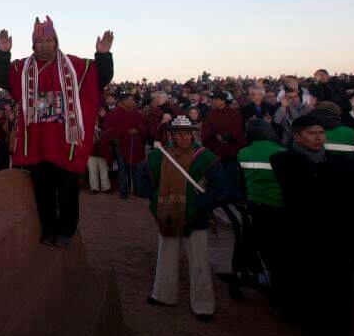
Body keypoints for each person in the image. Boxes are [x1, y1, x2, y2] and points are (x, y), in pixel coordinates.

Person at [0, 18, 115, 246]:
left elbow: (102, 77)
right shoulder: (22, 68)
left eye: (49, 40)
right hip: (38, 142)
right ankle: (49, 229)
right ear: (33, 45)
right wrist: (2, 53)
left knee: (68, 190)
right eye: (40, 41)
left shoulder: (75, 66)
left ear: (56, 41)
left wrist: (103, 55)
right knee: (43, 189)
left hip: (66, 142)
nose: (45, 44)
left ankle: (67, 231)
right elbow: (1, 78)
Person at [271, 116, 354, 336]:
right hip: (309, 238)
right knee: (314, 289)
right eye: (312, 133)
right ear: (297, 137)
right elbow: (303, 195)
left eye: (321, 133)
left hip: (340, 238)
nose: (319, 138)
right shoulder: (285, 161)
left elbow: (353, 199)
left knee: (342, 289)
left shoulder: (337, 163)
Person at [140, 117, 228, 322]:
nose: (183, 137)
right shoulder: (158, 156)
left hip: (195, 217)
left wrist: (199, 205)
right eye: (178, 133)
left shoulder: (205, 158)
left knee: (199, 262)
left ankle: (203, 305)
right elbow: (141, 176)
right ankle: (162, 294)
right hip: (167, 214)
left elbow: (221, 188)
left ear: (193, 134)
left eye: (187, 133)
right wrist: (155, 198)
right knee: (166, 256)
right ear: (171, 135)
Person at [238, 117, 287, 304]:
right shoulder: (282, 152)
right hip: (279, 206)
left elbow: (241, 181)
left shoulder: (243, 153)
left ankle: (266, 281)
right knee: (280, 249)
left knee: (262, 246)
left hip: (254, 203)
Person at [102, 92, 146, 200]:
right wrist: (126, 131)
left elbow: (143, 127)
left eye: (133, 100)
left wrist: (137, 130)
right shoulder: (114, 113)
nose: (132, 102)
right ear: (123, 101)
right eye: (130, 100)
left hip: (135, 145)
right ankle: (123, 191)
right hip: (120, 145)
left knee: (137, 168)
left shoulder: (137, 114)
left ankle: (138, 190)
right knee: (122, 168)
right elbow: (108, 130)